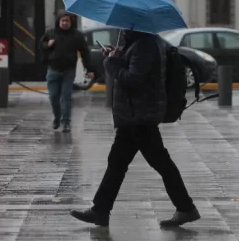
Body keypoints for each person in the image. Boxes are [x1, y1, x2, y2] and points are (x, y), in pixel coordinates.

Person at [70, 29, 200, 228]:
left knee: (142, 162)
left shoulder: (145, 45)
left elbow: (133, 79)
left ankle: (185, 208)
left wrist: (111, 63)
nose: (121, 27)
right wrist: (118, 55)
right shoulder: (144, 41)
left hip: (139, 116)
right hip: (137, 115)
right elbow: (136, 69)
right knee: (125, 162)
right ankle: (101, 210)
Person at [39, 11, 94, 133]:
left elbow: (85, 52)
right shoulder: (51, 33)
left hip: (68, 71)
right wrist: (47, 44)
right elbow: (40, 45)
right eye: (62, 21)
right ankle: (57, 118)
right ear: (59, 22)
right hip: (52, 70)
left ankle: (66, 122)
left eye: (67, 21)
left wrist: (89, 69)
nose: (64, 23)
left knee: (66, 96)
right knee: (53, 97)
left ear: (71, 22)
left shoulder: (77, 35)